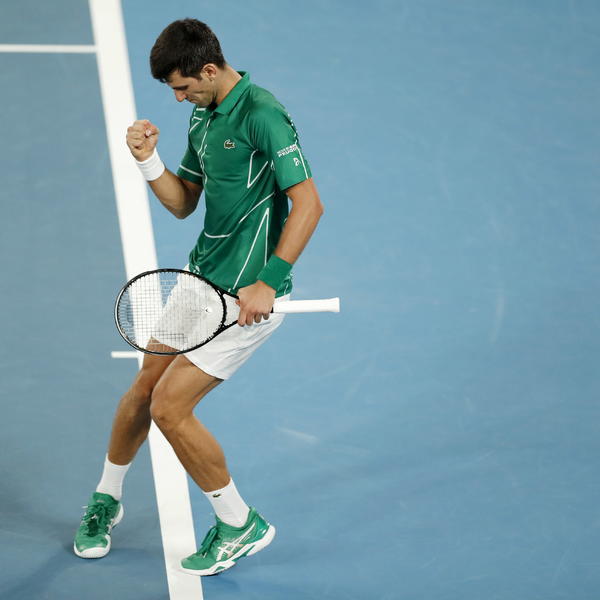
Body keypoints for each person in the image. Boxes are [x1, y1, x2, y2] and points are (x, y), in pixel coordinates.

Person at [73, 18, 323, 576]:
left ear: (209, 70)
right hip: (199, 279)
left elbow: (308, 204)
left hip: (245, 298)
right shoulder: (203, 115)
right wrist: (147, 159)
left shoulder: (263, 114)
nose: (179, 98)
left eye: (183, 87)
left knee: (170, 406)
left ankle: (239, 523)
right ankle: (107, 498)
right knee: (144, 391)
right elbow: (184, 202)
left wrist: (270, 279)